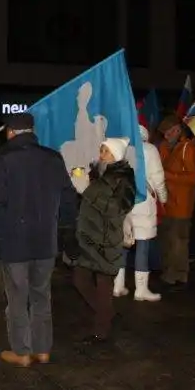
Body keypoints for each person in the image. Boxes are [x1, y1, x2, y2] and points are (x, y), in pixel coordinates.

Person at [0, 112, 77, 367]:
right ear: (33, 131)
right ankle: (43, 349)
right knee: (41, 296)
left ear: (10, 132)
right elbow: (68, 200)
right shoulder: (53, 158)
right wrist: (67, 234)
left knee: (17, 298)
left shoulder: (3, 161)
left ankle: (22, 352)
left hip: (15, 243)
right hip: (46, 240)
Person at [69, 139, 137, 343]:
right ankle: (106, 313)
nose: (102, 154)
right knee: (80, 279)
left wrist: (87, 190)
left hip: (107, 238)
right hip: (89, 236)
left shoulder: (124, 177)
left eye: (106, 151)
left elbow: (118, 208)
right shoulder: (97, 172)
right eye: (101, 150)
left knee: (103, 285)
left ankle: (101, 330)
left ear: (116, 155)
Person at [115, 124, 168, 302]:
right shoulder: (150, 149)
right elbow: (158, 176)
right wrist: (163, 197)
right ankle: (141, 289)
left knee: (124, 243)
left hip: (123, 202)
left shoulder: (121, 148)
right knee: (142, 246)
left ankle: (118, 285)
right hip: (143, 202)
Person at [158, 115, 195, 288]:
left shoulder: (188, 149)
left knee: (178, 241)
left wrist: (167, 175)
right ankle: (173, 273)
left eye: (169, 132)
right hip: (168, 203)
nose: (166, 136)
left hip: (181, 204)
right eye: (164, 133)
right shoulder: (168, 147)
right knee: (169, 240)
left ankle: (176, 274)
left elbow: (192, 178)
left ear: (177, 130)